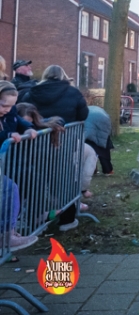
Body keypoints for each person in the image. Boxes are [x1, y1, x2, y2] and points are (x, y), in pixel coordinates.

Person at [19, 65, 89, 232]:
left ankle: (36, 220)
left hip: (36, 144)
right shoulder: (73, 92)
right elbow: (83, 114)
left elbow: (23, 112)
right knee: (64, 180)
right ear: (63, 76)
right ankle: (67, 220)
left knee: (36, 182)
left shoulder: (32, 92)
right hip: (63, 142)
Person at [0, 82, 39, 251]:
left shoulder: (10, 112)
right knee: (9, 189)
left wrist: (29, 129)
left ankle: (7, 234)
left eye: (11, 106)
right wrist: (8, 135)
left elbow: (19, 121)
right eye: (4, 105)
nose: (7, 109)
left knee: (11, 189)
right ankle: (5, 236)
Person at [82, 105, 114, 175]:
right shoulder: (100, 112)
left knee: (90, 150)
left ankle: (93, 170)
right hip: (103, 124)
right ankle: (108, 170)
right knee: (103, 150)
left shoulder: (84, 112)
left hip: (89, 130)